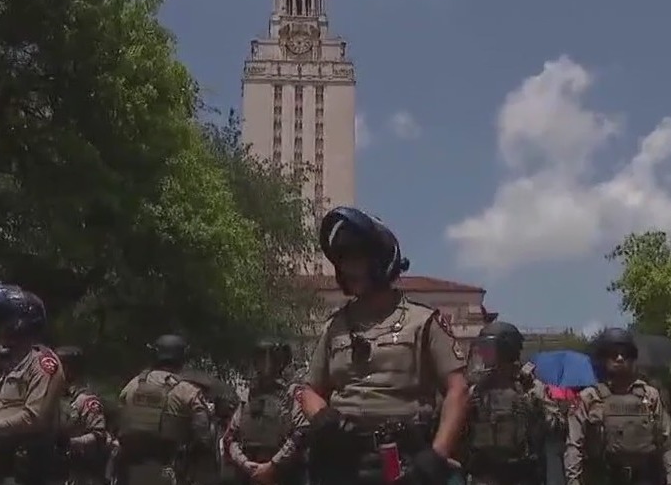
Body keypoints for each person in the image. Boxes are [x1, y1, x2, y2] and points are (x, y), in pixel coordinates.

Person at [298, 206, 468, 485]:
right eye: (343, 259)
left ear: (381, 258)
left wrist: (436, 456)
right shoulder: (334, 327)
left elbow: (457, 390)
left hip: (405, 460)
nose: (348, 268)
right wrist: (323, 417)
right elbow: (309, 390)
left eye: (357, 258)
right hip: (343, 462)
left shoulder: (424, 321)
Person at [0, 283, 66, 485]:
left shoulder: (42, 363)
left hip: (26, 465)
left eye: (4, 320)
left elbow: (35, 417)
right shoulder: (6, 363)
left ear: (20, 323)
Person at [563, 327, 671, 485]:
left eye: (625, 354)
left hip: (645, 478)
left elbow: (667, 443)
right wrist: (573, 481)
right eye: (613, 353)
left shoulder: (649, 395)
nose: (620, 358)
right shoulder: (589, 398)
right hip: (605, 477)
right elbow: (574, 446)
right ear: (603, 358)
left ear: (632, 358)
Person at [465, 321, 559, 485]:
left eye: (488, 348)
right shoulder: (478, 389)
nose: (483, 353)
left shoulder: (529, 387)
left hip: (521, 473)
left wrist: (536, 409)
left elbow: (556, 427)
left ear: (506, 350)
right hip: (485, 473)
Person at [116, 333, 214, 485]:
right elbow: (203, 436)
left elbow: (119, 418)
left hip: (131, 470)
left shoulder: (133, 384)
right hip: (170, 469)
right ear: (181, 358)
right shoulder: (187, 390)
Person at [225, 339, 307, 485]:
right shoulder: (248, 395)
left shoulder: (292, 393)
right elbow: (232, 437)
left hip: (282, 474)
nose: (265, 365)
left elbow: (301, 434)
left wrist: (272, 466)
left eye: (269, 359)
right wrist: (245, 464)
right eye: (260, 359)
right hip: (250, 472)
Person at [55, 345, 110, 485]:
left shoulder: (86, 399)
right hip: (50, 466)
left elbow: (99, 436)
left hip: (79, 470)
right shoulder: (51, 395)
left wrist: (70, 443)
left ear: (70, 369)